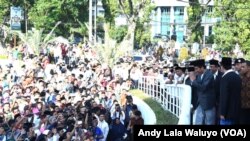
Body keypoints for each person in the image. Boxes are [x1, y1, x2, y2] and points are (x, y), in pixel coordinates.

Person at [189, 59, 216, 125]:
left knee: (209, 122)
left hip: (208, 104)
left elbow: (203, 87)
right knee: (198, 122)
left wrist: (193, 80)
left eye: (197, 69)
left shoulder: (209, 75)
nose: (196, 71)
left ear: (202, 67)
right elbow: (196, 87)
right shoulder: (198, 75)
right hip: (200, 103)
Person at [219, 57, 242, 125]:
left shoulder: (225, 78)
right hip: (236, 111)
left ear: (222, 66)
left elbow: (224, 96)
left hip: (227, 114)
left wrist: (222, 113)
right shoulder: (237, 76)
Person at [209, 59, 223, 124]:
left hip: (219, 101)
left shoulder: (222, 75)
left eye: (212, 66)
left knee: (218, 118)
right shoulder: (208, 75)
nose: (210, 68)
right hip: (210, 101)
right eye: (210, 66)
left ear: (217, 67)